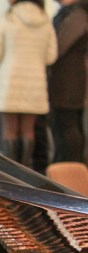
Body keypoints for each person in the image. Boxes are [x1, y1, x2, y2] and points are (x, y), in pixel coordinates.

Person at [0, 0, 59, 168]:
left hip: (10, 80)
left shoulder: (10, 17)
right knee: (28, 131)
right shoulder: (45, 20)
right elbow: (51, 56)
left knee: (9, 131)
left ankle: (10, 172)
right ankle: (25, 171)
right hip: (35, 82)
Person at [48, 0, 88, 163]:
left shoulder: (76, 14)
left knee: (66, 124)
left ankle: (68, 167)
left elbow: (59, 46)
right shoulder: (73, 13)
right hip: (70, 78)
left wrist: (48, 51)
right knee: (69, 124)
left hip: (68, 79)